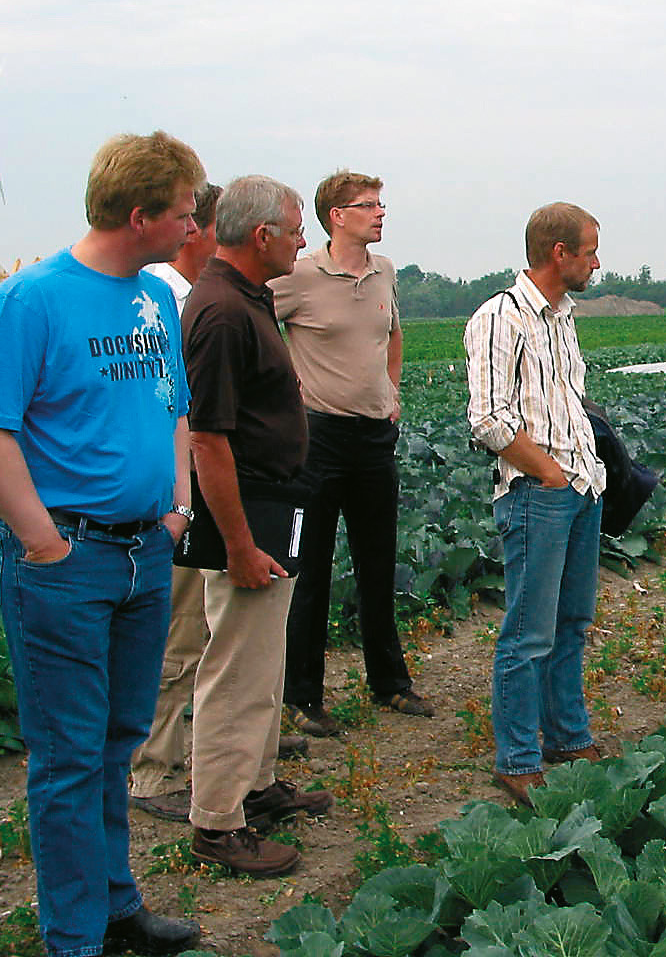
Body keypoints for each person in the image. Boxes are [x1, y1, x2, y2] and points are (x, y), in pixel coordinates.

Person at [0, 131, 205, 956]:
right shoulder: (34, 299)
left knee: (118, 740)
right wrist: (43, 543)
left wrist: (176, 508)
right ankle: (74, 939)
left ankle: (115, 904)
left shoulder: (156, 299)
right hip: (68, 561)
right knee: (66, 759)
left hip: (144, 554)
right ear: (140, 216)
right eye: (183, 212)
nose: (193, 224)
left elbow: (173, 408)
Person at [183, 176, 331, 877]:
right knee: (236, 670)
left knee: (262, 660)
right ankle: (217, 821)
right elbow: (208, 439)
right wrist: (238, 544)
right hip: (246, 515)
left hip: (274, 505)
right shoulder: (218, 312)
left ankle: (258, 785)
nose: (305, 241)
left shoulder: (248, 298)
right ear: (261, 235)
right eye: (298, 229)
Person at [273, 171, 431, 738]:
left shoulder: (384, 272)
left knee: (377, 562)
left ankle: (390, 683)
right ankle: (303, 696)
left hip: (373, 439)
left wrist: (392, 392)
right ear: (336, 215)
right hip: (318, 440)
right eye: (368, 206)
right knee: (311, 570)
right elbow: (261, 330)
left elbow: (393, 334)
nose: (381, 213)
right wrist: (287, 396)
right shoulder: (298, 275)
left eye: (381, 204)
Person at [464, 203, 606, 807]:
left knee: (570, 625)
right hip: (537, 494)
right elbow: (489, 417)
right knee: (527, 633)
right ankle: (517, 759)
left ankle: (568, 737)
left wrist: (583, 473)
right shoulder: (502, 316)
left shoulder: (562, 317)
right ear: (559, 253)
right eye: (590, 251)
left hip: (581, 488)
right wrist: (548, 472)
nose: (596, 263)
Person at [129, 181, 238, 822]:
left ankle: (217, 749)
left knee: (214, 621)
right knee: (181, 625)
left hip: (205, 477)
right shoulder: (161, 299)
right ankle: (151, 768)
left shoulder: (193, 297)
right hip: (183, 483)